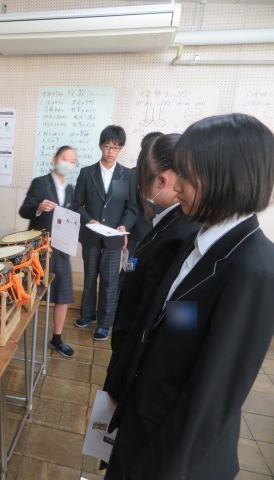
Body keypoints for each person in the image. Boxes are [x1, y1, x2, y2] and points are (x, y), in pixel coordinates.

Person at [105, 113, 274, 480]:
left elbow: (213, 396)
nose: (175, 184)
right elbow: (176, 324)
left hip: (169, 455)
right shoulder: (199, 241)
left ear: (226, 176)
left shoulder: (253, 270)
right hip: (142, 422)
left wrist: (159, 469)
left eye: (187, 174)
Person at [102, 133, 200, 403]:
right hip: (130, 348)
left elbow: (173, 316)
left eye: (143, 177)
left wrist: (124, 377)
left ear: (162, 180)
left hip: (139, 364)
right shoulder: (171, 221)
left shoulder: (183, 234)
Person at [73, 125, 137, 341]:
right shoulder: (87, 173)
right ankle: (87, 314)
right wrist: (87, 219)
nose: (111, 151)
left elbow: (131, 208)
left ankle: (105, 322)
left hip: (114, 238)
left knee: (110, 280)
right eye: (108, 146)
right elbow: (76, 204)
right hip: (91, 235)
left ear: (121, 149)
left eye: (116, 148)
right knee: (90, 277)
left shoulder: (125, 175)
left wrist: (123, 226)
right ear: (101, 146)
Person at [19, 146, 77, 357]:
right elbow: (24, 210)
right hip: (39, 250)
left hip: (61, 248)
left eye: (72, 161)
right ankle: (18, 333)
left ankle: (57, 338)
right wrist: (38, 207)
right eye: (64, 158)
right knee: (31, 293)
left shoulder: (71, 189)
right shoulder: (40, 183)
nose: (67, 164)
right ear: (54, 159)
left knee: (63, 295)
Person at [126, 131, 164, 256]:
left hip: (160, 236)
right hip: (135, 238)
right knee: (132, 265)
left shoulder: (167, 177)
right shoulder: (126, 175)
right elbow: (117, 207)